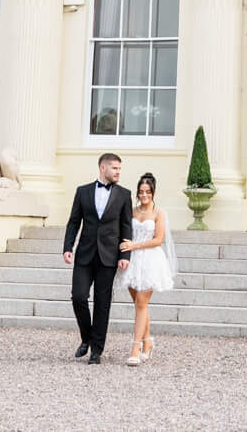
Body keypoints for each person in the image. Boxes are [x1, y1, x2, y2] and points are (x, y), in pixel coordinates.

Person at [62, 151, 132, 364]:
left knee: (102, 304)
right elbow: (74, 221)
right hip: (85, 254)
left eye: (119, 168)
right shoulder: (82, 192)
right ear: (103, 168)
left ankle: (96, 351)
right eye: (115, 168)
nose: (118, 172)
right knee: (79, 297)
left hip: (109, 256)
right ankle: (86, 338)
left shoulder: (124, 194)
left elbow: (126, 226)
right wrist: (68, 247)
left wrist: (125, 254)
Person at [116, 171, 177, 365]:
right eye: (141, 192)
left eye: (148, 192)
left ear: (153, 192)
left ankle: (136, 347)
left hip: (150, 260)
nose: (144, 195)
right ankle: (148, 341)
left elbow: (158, 240)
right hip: (132, 262)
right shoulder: (132, 211)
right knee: (139, 304)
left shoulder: (159, 213)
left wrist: (134, 245)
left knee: (141, 303)